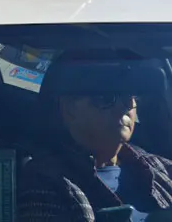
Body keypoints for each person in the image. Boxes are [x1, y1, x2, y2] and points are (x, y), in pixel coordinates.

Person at [18, 49, 172, 221]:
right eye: (106, 98)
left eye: (128, 97)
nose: (123, 108)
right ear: (68, 109)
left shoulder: (162, 168)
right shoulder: (43, 180)